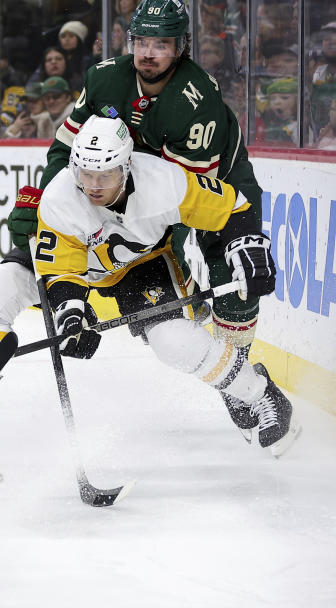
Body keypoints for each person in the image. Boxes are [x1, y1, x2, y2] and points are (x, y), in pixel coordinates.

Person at [0, 0, 270, 451]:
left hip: (202, 188)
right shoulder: (105, 78)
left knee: (232, 281)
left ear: (181, 47)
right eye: (141, 40)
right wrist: (43, 202)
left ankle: (243, 381)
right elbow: (66, 149)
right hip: (103, 198)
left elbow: (182, 205)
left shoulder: (196, 100)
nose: (148, 52)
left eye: (161, 44)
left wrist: (174, 266)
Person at [34, 115, 297, 456]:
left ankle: (261, 393)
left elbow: (229, 206)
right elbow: (61, 269)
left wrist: (245, 241)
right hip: (96, 269)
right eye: (86, 174)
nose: (95, 185)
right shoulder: (59, 197)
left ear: (126, 167)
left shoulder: (162, 182)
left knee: (174, 342)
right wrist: (71, 314)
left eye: (106, 174)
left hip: (145, 265)